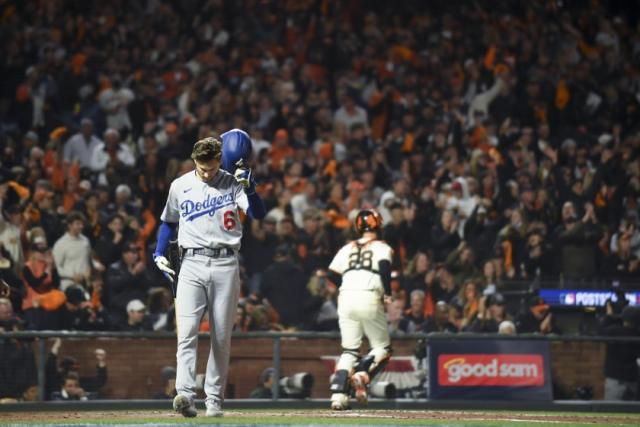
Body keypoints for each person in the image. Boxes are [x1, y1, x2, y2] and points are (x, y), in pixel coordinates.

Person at [153, 133, 265, 418]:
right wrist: (158, 252)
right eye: (201, 166)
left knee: (220, 337)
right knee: (187, 332)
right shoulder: (180, 185)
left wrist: (250, 187)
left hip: (226, 263)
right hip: (191, 262)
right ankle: (185, 395)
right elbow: (168, 222)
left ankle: (214, 400)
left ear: (220, 160)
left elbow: (258, 214)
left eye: (211, 166)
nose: (206, 171)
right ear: (194, 160)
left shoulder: (232, 181)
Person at [325, 209, 393, 411]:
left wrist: (348, 283)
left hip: (345, 296)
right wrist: (387, 293)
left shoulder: (347, 248)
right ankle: (362, 375)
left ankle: (338, 395)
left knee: (350, 350)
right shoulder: (382, 247)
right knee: (383, 348)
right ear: (378, 226)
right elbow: (383, 267)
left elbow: (331, 274)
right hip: (369, 294)